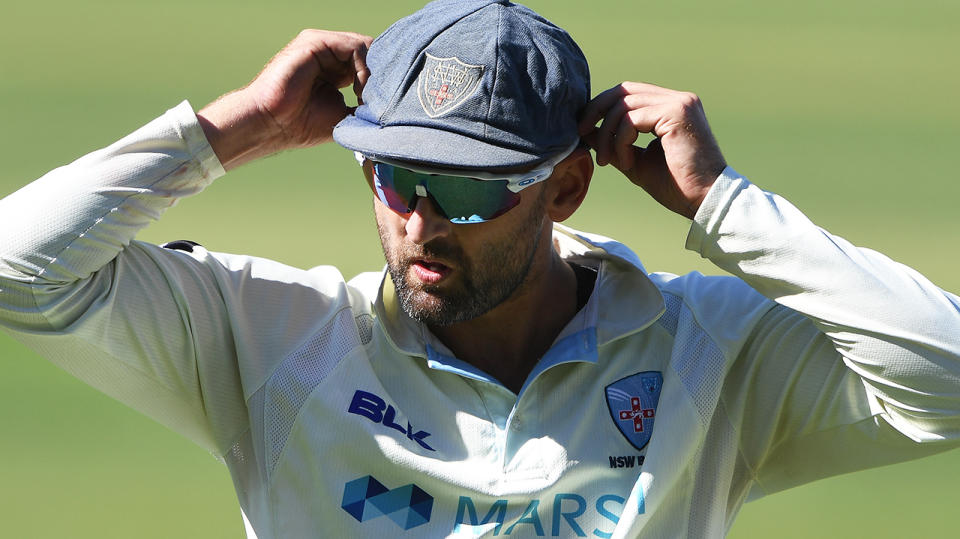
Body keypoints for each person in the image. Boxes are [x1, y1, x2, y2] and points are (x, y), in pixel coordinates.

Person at [1, 0, 958, 537]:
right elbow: (17, 270)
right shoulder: (271, 336)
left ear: (568, 188)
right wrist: (233, 129)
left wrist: (724, 207)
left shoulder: (704, 351)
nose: (420, 221)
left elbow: (947, 381)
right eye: (394, 177)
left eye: (465, 192)